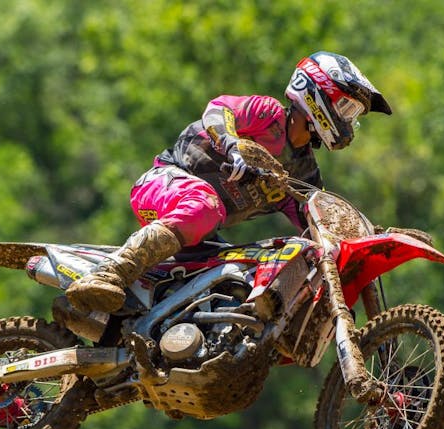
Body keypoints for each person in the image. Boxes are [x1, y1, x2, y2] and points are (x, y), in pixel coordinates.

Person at [64, 51, 393, 314]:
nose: (348, 121)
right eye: (347, 109)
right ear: (318, 94)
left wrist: (366, 237)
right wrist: (233, 146)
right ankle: (109, 273)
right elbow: (217, 110)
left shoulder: (303, 172)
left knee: (239, 281)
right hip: (162, 184)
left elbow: (319, 225)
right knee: (205, 205)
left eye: (353, 116)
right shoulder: (268, 115)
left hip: (200, 233)